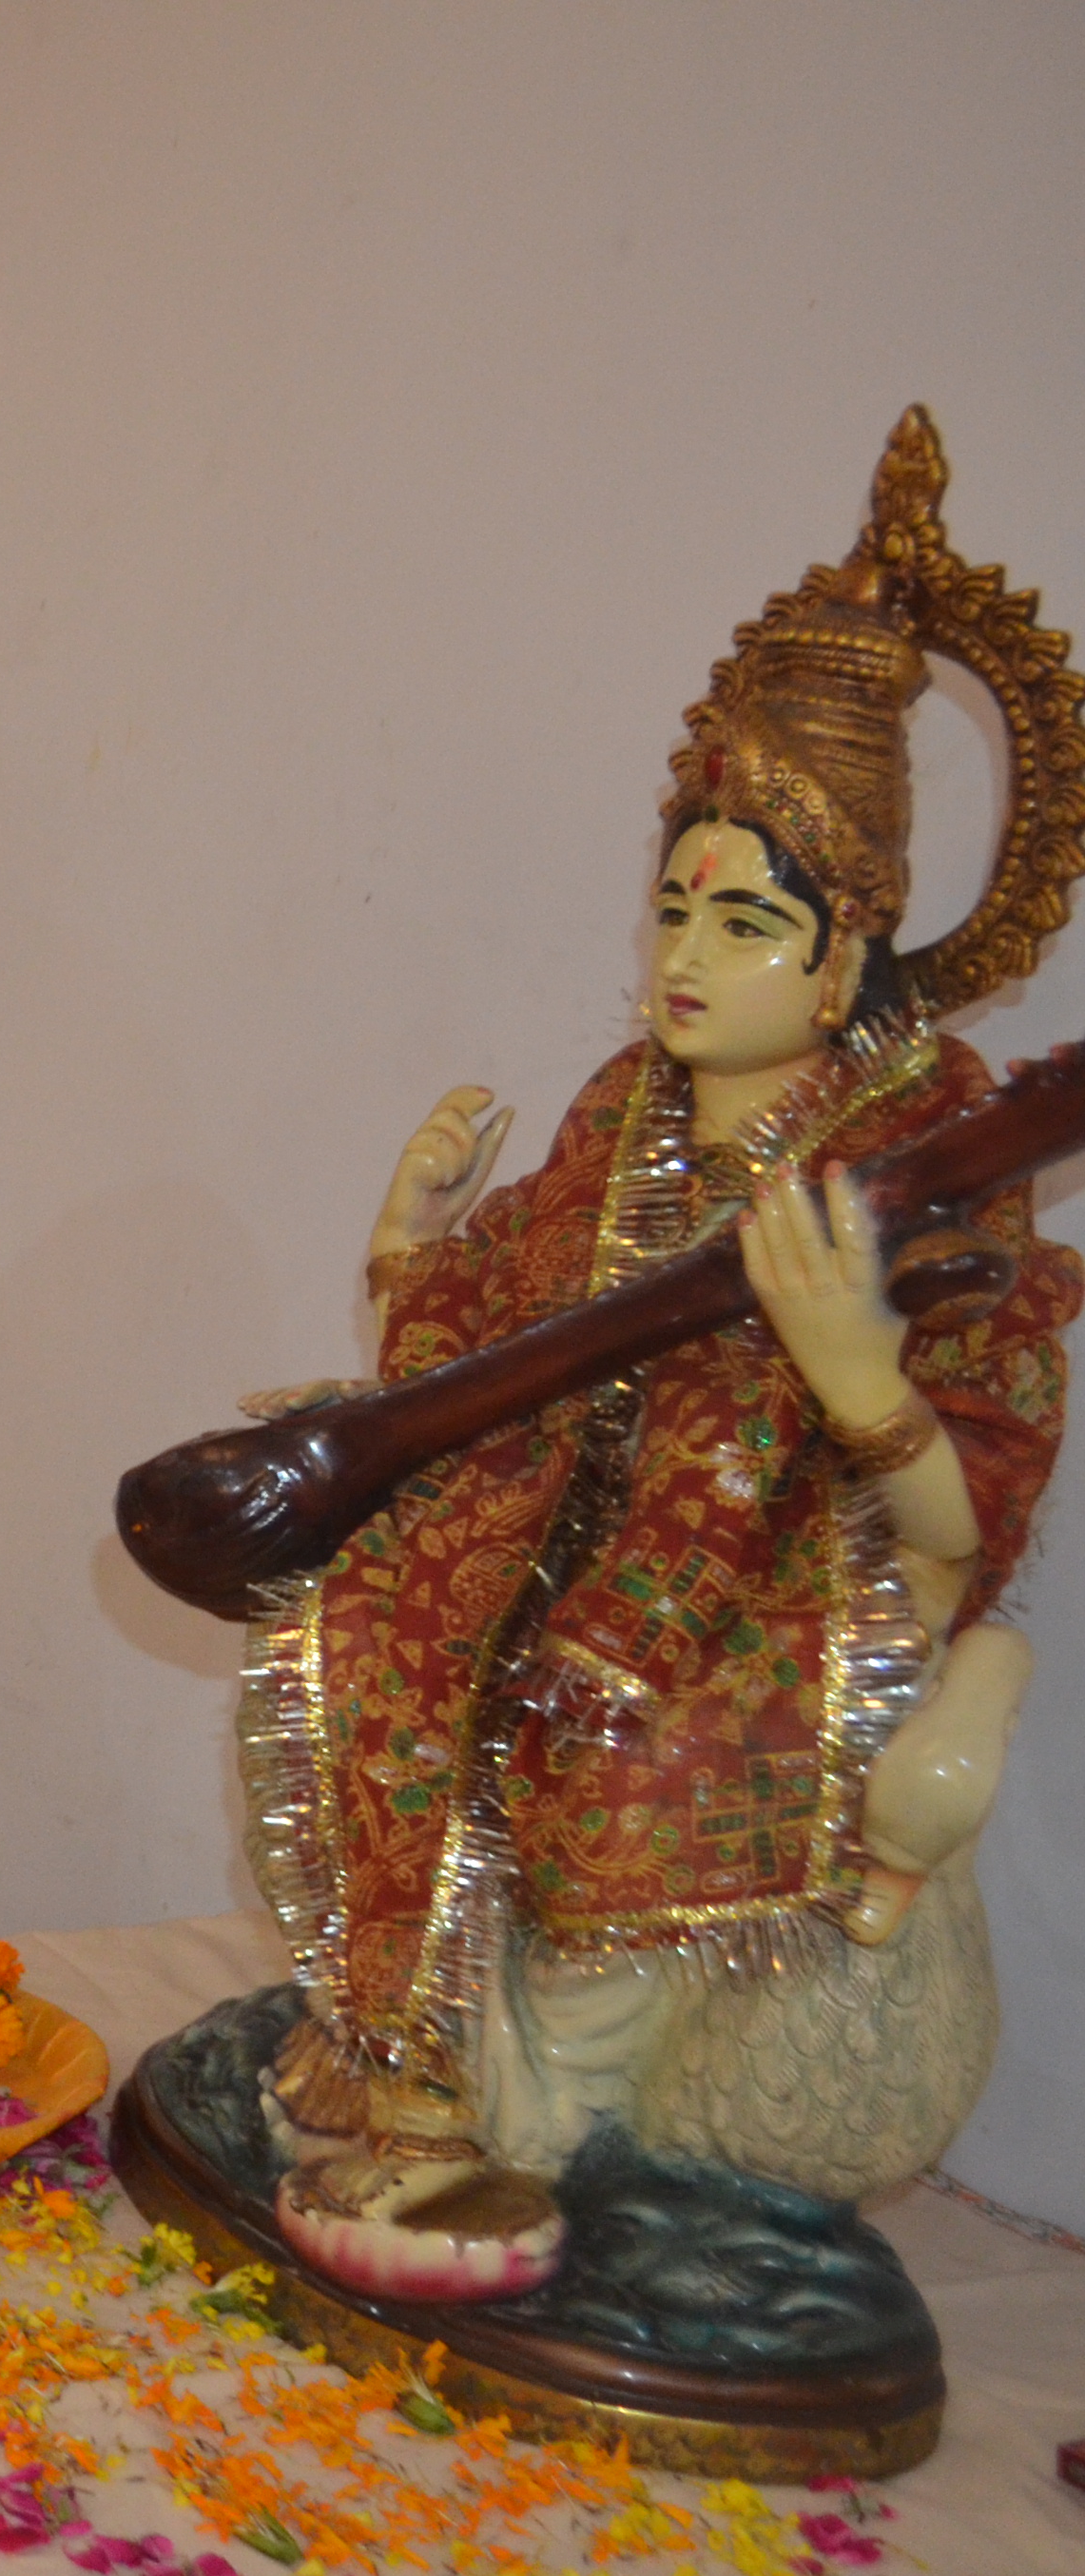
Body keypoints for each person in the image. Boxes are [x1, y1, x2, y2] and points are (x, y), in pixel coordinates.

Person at [251, 414, 1077, 2302]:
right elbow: (490, 1344)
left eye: (745, 923)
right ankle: (404, 2055)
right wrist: (409, 1236)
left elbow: (969, 1509)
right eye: (674, 910)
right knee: (361, 1597)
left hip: (789, 1571)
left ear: (847, 949)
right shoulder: (624, 1106)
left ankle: (536, 2117)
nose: (685, 960)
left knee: (605, 1723)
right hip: (566, 1508)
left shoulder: (935, 1140)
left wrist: (850, 1369)